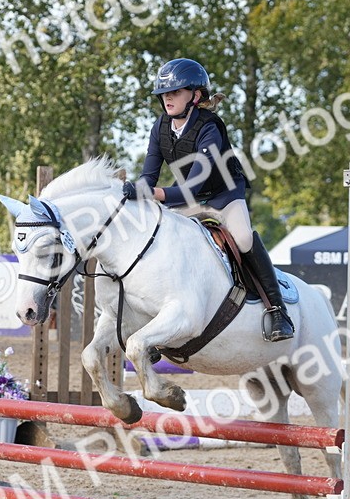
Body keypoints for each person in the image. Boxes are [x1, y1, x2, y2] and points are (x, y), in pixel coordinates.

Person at [125, 58, 294, 341]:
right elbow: (148, 177)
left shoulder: (209, 127)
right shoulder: (160, 127)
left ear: (196, 95)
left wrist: (152, 194)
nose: (167, 98)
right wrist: (134, 192)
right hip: (187, 198)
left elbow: (192, 186)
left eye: (175, 92)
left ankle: (278, 310)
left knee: (242, 239)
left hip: (224, 195)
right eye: (164, 93)